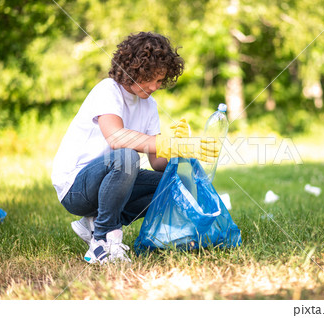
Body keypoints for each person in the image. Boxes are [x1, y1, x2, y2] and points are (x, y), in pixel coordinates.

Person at [51, 32, 218, 264]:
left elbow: (157, 163)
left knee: (175, 184)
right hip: (76, 188)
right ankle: (102, 241)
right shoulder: (107, 90)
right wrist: (165, 143)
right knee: (127, 157)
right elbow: (116, 138)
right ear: (134, 68)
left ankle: (94, 222)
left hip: (112, 180)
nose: (154, 86)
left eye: (160, 80)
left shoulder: (149, 104)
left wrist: (177, 150)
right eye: (150, 77)